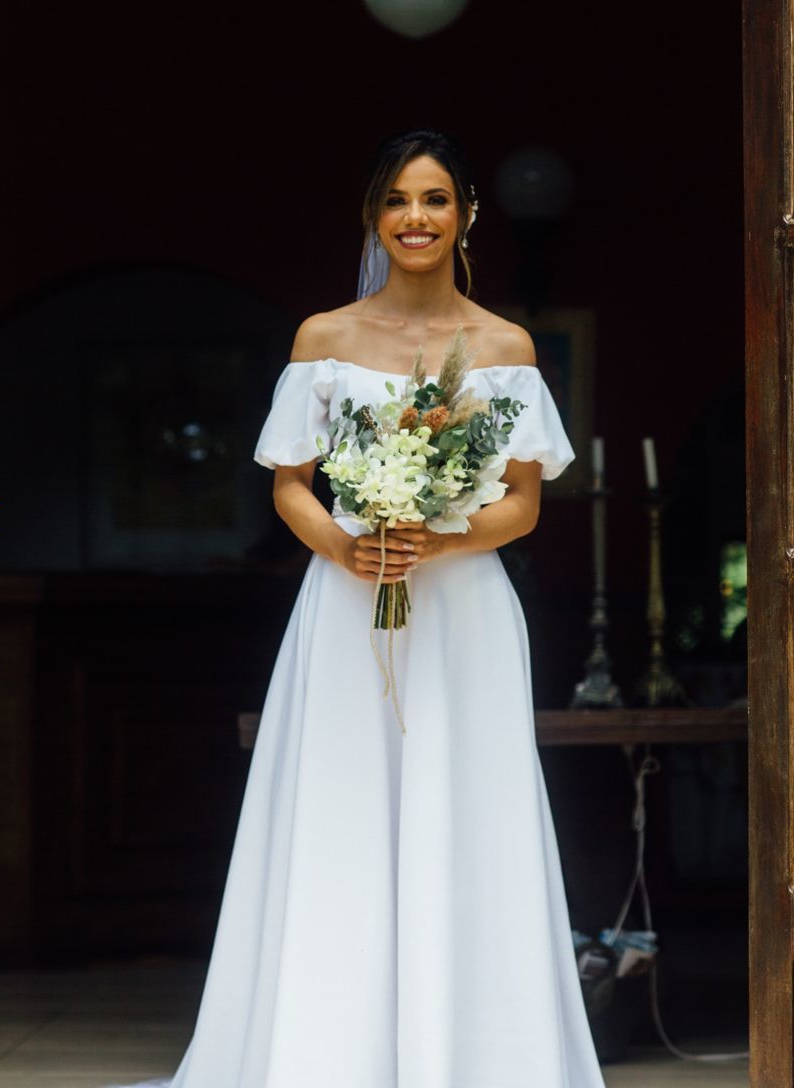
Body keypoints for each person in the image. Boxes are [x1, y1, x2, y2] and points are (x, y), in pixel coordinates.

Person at [116, 129, 605, 1088]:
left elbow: (523, 502)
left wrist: (440, 539)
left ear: (466, 214)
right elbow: (290, 484)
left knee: (468, 810)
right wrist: (347, 545)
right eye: (395, 201)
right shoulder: (323, 338)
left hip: (463, 612)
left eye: (433, 199)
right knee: (341, 812)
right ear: (372, 218)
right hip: (345, 608)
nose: (414, 219)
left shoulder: (505, 346)